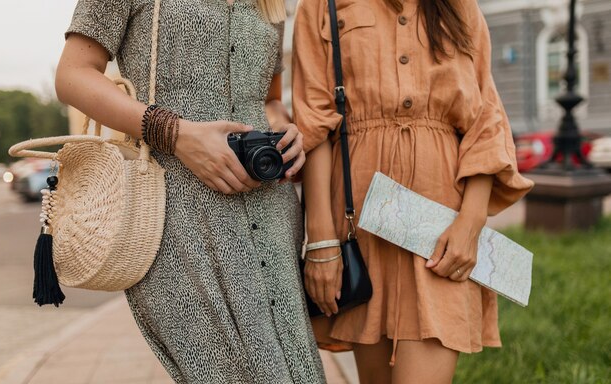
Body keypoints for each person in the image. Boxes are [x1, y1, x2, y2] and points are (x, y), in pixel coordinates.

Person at [55, 0, 325, 383]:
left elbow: (268, 99)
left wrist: (286, 132)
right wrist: (177, 134)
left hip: (272, 213)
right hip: (177, 216)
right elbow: (72, 75)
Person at [292, 0, 534, 382]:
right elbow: (314, 123)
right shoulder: (324, 4)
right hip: (360, 228)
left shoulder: (459, 7)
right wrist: (321, 243)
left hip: (440, 228)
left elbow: (486, 121)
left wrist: (470, 223)